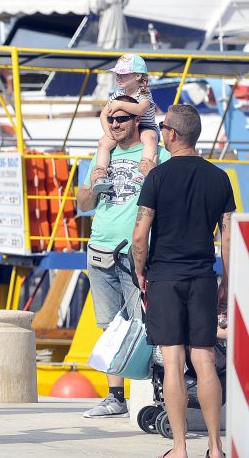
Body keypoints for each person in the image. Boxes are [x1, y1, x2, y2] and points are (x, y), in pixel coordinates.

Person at [132, 104, 234, 458]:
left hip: (164, 277)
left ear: (172, 134)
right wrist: (227, 282)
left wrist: (141, 271)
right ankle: (216, 448)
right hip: (203, 278)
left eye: (163, 128)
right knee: (204, 359)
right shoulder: (220, 178)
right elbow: (228, 238)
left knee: (173, 360)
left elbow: (140, 234)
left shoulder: (157, 178)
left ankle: (179, 448)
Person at [77, 95, 170, 419]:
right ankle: (115, 397)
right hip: (100, 248)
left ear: (135, 121)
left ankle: (153, 395)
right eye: (112, 119)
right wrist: (92, 188)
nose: (116, 124)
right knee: (109, 326)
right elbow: (83, 203)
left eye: (123, 119)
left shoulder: (157, 153)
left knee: (146, 325)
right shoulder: (103, 155)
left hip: (136, 253)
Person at [93, 54, 160, 193]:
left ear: (137, 76)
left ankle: (143, 172)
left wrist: (119, 104)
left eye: (123, 74)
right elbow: (103, 115)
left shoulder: (144, 91)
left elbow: (141, 109)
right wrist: (109, 133)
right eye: (117, 74)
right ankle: (100, 175)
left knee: (150, 138)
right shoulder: (118, 94)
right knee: (102, 143)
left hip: (145, 127)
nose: (118, 77)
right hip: (123, 129)